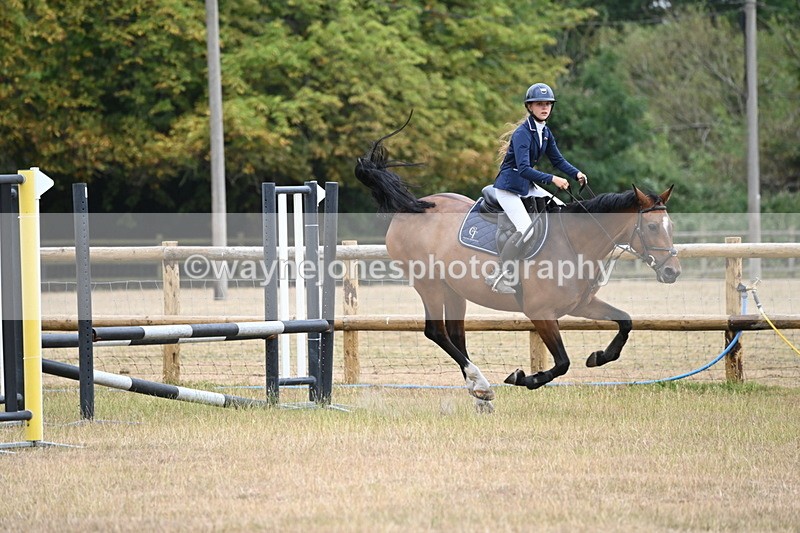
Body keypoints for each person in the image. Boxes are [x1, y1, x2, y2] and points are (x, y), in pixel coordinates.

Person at [485, 82, 588, 294]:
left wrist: (576, 173)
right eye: (539, 104)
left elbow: (558, 160)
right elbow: (523, 168)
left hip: (526, 186)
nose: (544, 108)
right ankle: (499, 273)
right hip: (508, 188)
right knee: (525, 229)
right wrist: (553, 179)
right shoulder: (523, 133)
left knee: (562, 212)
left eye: (548, 104)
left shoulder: (545, 132)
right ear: (529, 107)